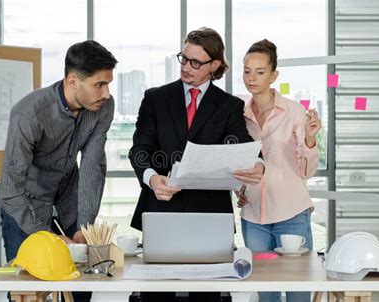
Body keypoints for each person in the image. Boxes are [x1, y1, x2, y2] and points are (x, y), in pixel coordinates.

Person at [129, 27, 265, 302]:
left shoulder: (228, 105)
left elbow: (242, 142)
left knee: (207, 297)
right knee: (155, 297)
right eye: (184, 58)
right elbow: (140, 149)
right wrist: (153, 178)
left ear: (214, 65)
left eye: (196, 62)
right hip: (161, 210)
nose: (186, 67)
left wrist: (259, 164)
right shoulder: (155, 98)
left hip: (210, 216)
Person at [0, 40, 117, 302]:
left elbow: (92, 166)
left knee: (81, 285)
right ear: (73, 80)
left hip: (68, 198)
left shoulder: (102, 108)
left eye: (108, 84)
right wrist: (49, 238)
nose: (106, 93)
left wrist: (83, 226)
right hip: (24, 204)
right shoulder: (30, 114)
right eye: (99, 84)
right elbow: (10, 191)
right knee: (29, 289)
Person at [238, 39, 322, 302]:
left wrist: (309, 140)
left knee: (298, 290)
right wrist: (239, 189)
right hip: (253, 218)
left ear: (274, 75)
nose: (252, 78)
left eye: (260, 72)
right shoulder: (238, 114)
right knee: (267, 293)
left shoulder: (295, 112)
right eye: (247, 70)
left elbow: (306, 171)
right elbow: (235, 159)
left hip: (291, 213)